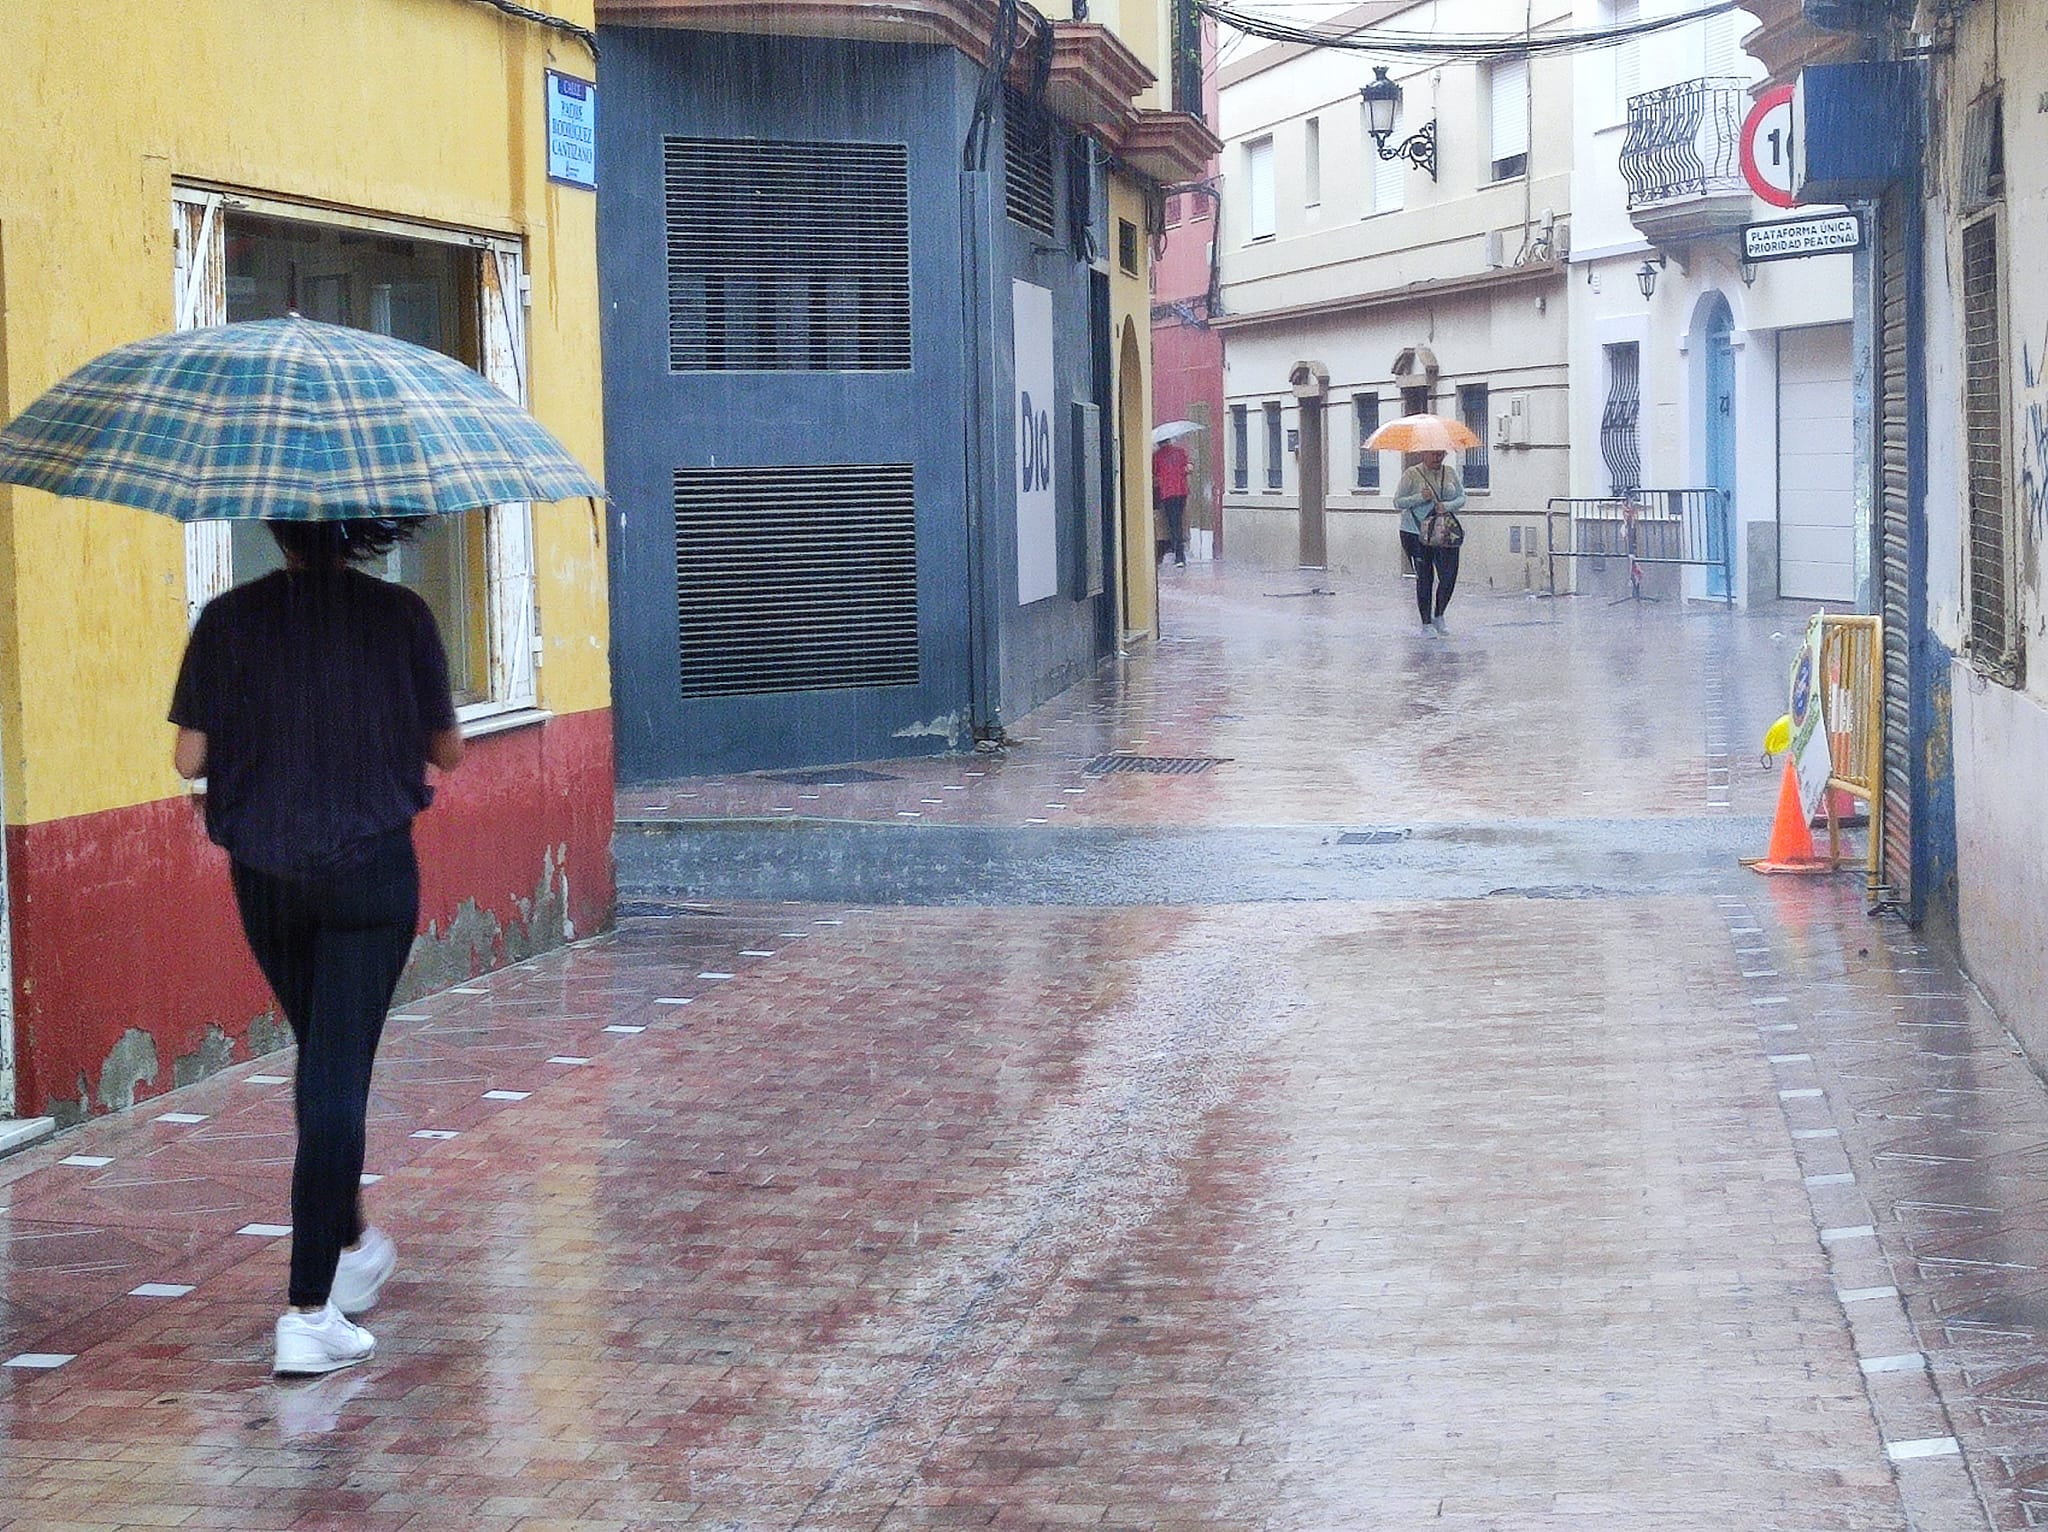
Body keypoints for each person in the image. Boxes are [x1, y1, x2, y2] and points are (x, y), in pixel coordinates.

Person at [170, 518, 463, 1377]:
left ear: (276, 527)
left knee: (320, 1060)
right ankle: (307, 1309)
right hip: (370, 874)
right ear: (361, 530)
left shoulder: (228, 618)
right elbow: (446, 747)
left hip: (266, 877)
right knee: (338, 1073)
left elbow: (189, 757)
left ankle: (354, 1239)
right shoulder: (401, 615)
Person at [1394, 449, 1467, 636]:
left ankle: (1439, 614)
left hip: (1444, 531)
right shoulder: (1411, 474)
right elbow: (1398, 502)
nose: (1437, 458)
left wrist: (1448, 506)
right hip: (1415, 532)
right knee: (1425, 577)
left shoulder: (1449, 472)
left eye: (1441, 454)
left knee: (1449, 575)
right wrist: (1420, 497)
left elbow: (1462, 497)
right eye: (1433, 454)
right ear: (1423, 454)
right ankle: (1426, 622)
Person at [1153, 438, 1191, 567]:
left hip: (1167, 493)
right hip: (1181, 491)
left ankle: (1179, 555)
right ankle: (1178, 553)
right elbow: (1188, 468)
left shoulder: (1157, 455)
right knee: (1178, 522)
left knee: (1173, 523)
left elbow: (1154, 473)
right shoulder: (1180, 451)